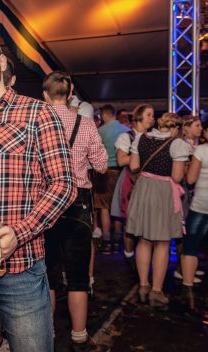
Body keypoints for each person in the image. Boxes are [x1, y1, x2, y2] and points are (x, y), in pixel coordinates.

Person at [0, 29, 76, 351]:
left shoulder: (38, 113)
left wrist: (19, 233)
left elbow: (64, 184)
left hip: (21, 268)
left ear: (2, 61)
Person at [43, 71, 107, 351]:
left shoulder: (38, 122)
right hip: (78, 200)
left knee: (48, 274)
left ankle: (47, 334)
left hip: (44, 200)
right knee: (78, 274)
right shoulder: (85, 123)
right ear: (69, 95)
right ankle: (79, 336)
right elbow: (102, 164)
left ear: (45, 96)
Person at [127, 113, 188, 308]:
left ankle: (143, 286)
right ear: (176, 128)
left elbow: (134, 166)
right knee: (162, 242)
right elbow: (177, 177)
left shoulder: (141, 137)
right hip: (162, 191)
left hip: (143, 187)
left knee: (144, 240)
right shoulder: (177, 144)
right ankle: (156, 291)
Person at [112, 104, 154, 269]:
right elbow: (121, 160)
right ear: (139, 117)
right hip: (131, 180)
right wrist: (142, 155)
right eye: (149, 115)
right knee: (130, 220)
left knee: (147, 220)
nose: (153, 118)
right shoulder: (126, 136)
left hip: (149, 181)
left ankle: (144, 255)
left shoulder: (152, 137)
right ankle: (129, 254)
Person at [94, 104, 130, 254]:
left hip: (105, 172)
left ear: (104, 115)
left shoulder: (100, 131)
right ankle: (118, 240)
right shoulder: (126, 131)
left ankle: (107, 241)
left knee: (104, 207)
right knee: (119, 206)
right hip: (122, 172)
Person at [181, 122, 208, 311]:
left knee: (190, 245)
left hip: (201, 204)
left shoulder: (201, 150)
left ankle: (188, 287)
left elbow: (190, 179)